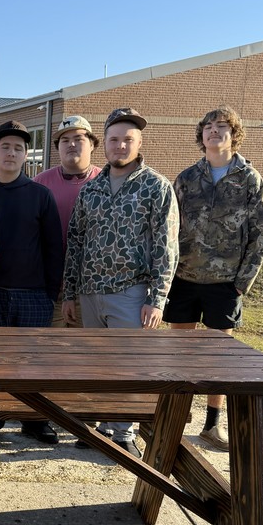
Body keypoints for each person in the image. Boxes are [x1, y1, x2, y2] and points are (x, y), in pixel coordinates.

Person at [62, 107, 179, 457]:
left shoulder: (155, 186)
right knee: (95, 365)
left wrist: (157, 298)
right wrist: (70, 293)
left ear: (139, 143)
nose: (120, 146)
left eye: (128, 139)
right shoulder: (91, 189)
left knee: (129, 365)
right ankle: (99, 424)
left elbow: (166, 245)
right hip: (91, 291)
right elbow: (77, 242)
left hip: (131, 291)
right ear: (106, 145)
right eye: (114, 139)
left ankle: (123, 431)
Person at [164, 106, 263, 450]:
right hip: (184, 278)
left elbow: (260, 234)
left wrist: (243, 282)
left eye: (222, 126)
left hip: (225, 282)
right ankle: (174, 419)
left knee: (217, 358)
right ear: (201, 135)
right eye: (208, 127)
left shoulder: (249, 179)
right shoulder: (186, 178)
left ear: (234, 134)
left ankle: (212, 424)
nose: (214, 131)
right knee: (179, 354)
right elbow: (170, 228)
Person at [0, 120, 63, 444]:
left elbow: (54, 248)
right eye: (5, 146)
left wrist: (51, 293)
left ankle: (34, 420)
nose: (12, 152)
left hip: (33, 294)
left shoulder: (41, 195)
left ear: (26, 155)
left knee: (32, 363)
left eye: (19, 148)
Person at [34, 116, 102, 327]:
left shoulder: (106, 182)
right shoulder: (41, 183)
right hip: (51, 287)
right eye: (65, 140)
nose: (71, 144)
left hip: (91, 290)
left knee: (85, 351)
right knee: (50, 349)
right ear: (57, 147)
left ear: (92, 144)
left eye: (79, 138)